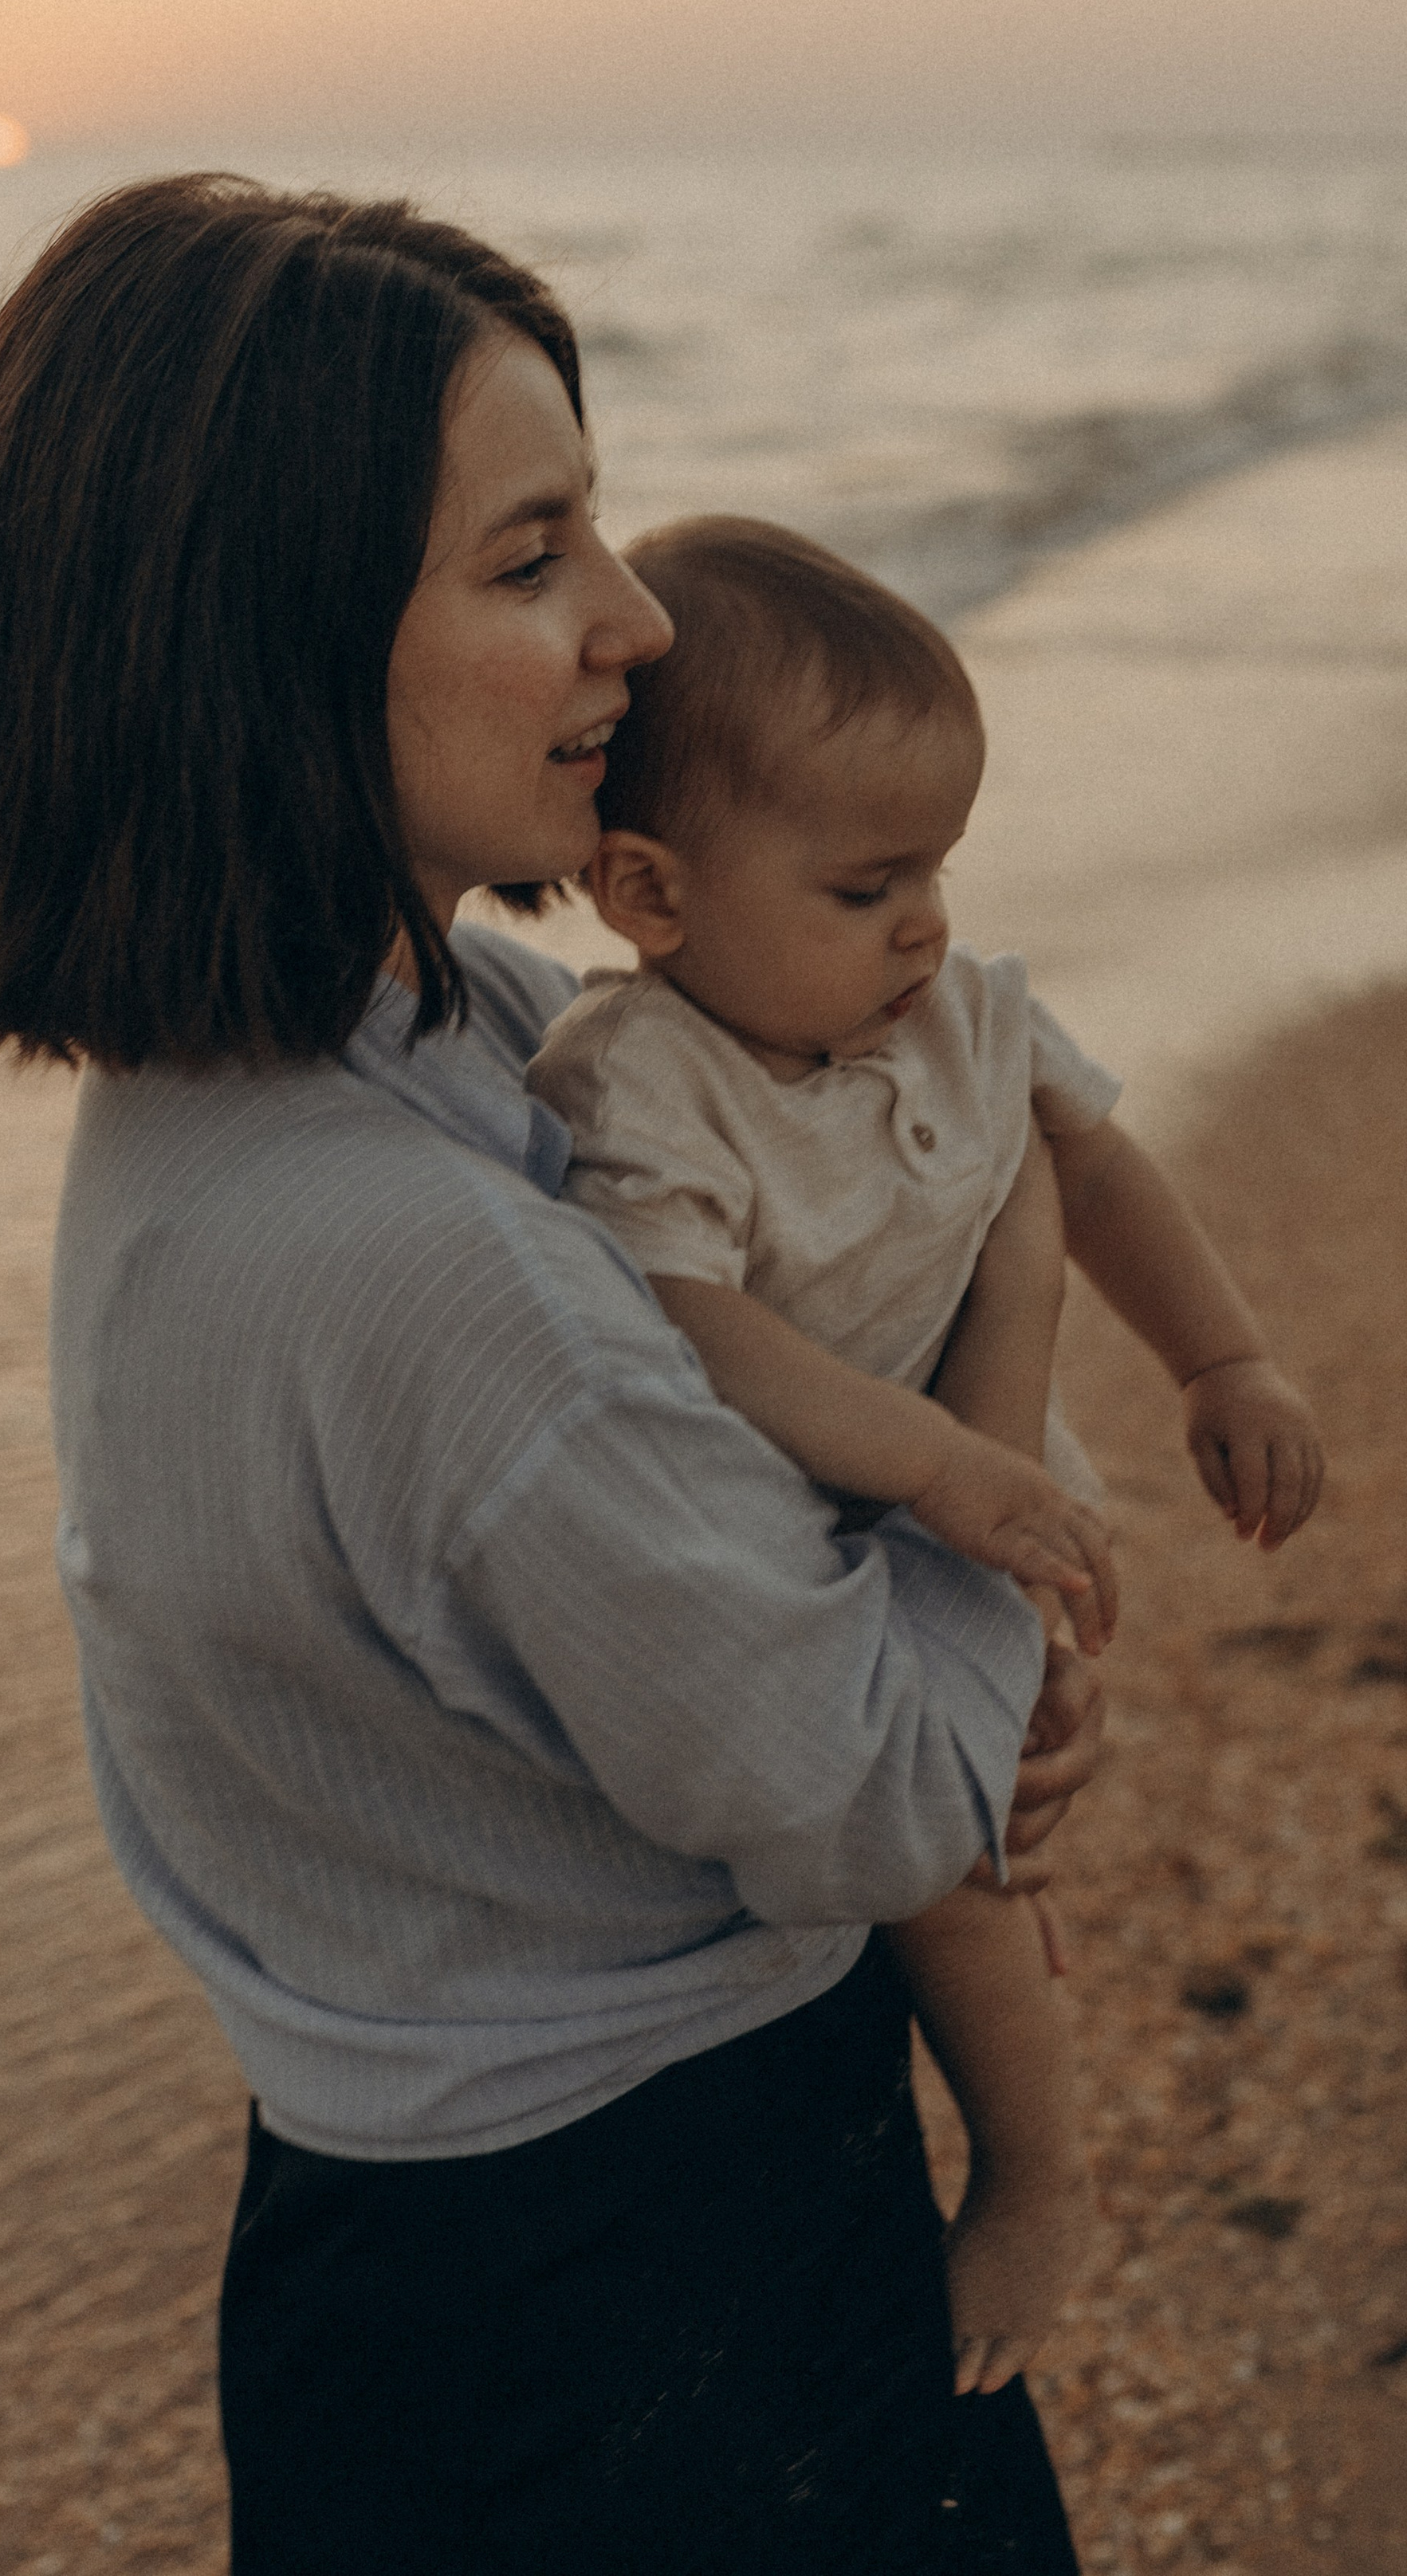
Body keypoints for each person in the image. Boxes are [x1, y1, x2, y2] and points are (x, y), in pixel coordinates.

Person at [0, 175, 1106, 2574]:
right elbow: (886, 1791)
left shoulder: (320, 1068)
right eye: (531, 561)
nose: (636, 621)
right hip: (643, 2295)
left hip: (380, 2239)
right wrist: (1003, 1457)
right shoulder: (435, 1257)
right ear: (272, 641)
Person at [528, 515, 1326, 2402]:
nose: (927, 924)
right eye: (868, 884)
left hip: (989, 1494)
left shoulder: (962, 1016)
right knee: (946, 1862)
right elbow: (693, 1324)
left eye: (940, 870)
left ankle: (1035, 2162)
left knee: (992, 1822)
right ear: (652, 891)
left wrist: (1221, 1355)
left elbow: (1100, 1169)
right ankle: (1035, 2171)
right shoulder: (634, 1080)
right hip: (811, 1537)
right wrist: (929, 1466)